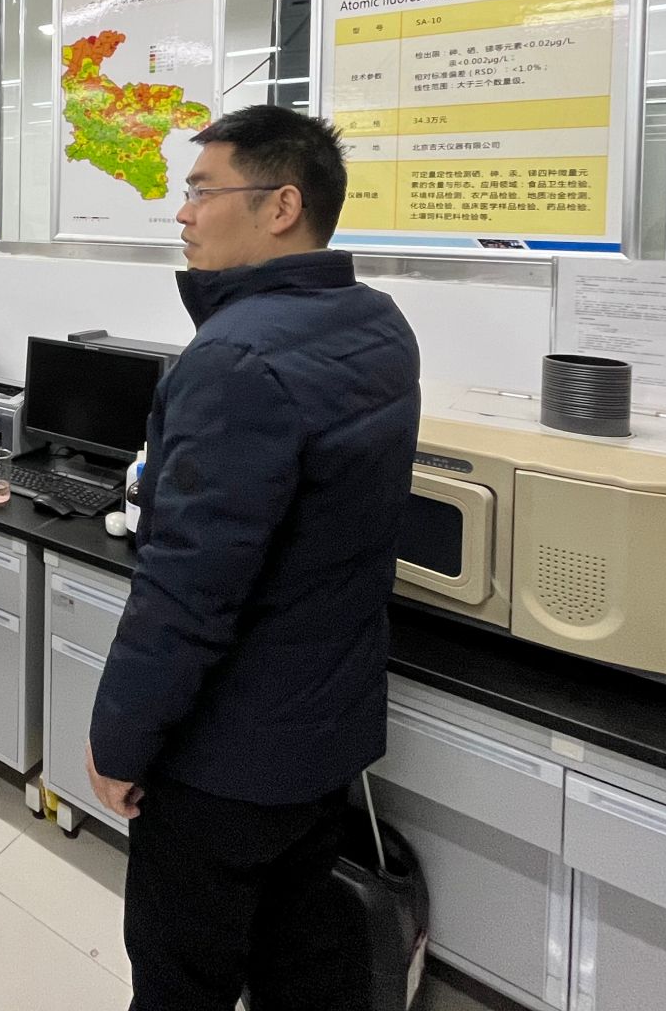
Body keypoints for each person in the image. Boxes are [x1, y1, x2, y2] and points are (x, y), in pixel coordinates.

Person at [86, 104, 421, 1011]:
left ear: (281, 206)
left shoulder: (234, 359)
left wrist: (120, 739)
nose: (183, 212)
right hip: (327, 731)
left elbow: (187, 593)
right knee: (293, 960)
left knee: (180, 980)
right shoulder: (379, 324)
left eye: (202, 191)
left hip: (225, 758)